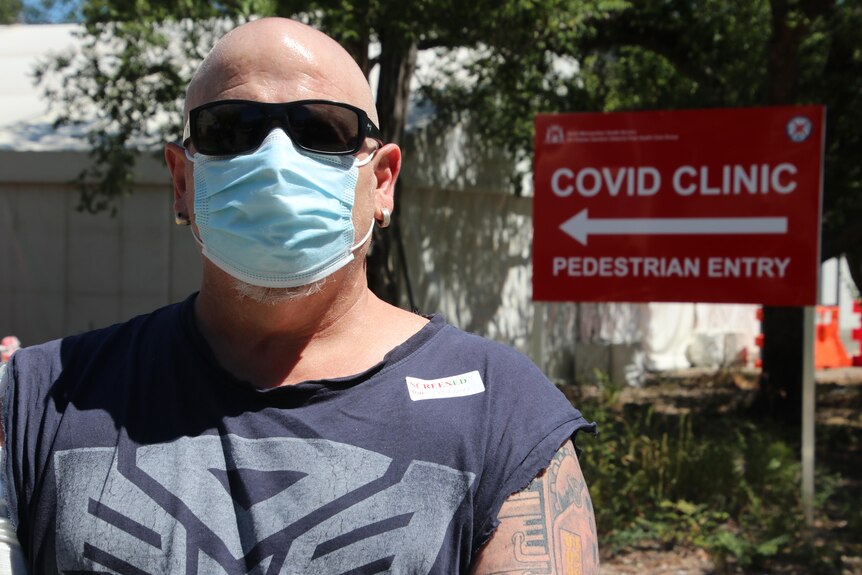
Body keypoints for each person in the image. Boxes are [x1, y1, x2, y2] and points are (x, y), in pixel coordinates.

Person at [0, 17, 598, 574]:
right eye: (230, 130)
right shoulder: (38, 398)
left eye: (322, 129)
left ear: (383, 181)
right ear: (181, 181)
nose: (275, 161)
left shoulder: (503, 412)